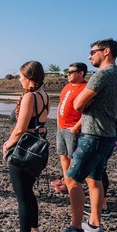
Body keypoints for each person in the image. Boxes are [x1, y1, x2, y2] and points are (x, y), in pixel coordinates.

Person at [53, 38, 117, 232]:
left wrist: (82, 102)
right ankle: (94, 225)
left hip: (93, 135)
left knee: (72, 180)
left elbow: (78, 104)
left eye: (93, 52)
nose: (90, 55)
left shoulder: (102, 74)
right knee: (95, 179)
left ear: (106, 51)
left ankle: (76, 230)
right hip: (107, 135)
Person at [2, 61, 50, 232]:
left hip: (24, 149)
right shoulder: (44, 95)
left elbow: (20, 128)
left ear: (30, 78)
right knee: (29, 192)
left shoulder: (30, 96)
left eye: (21, 76)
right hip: (38, 148)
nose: (19, 79)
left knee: (22, 195)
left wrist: (7, 144)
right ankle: (34, 231)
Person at [84, 64, 117, 217]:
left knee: (99, 171)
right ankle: (100, 204)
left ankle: (102, 206)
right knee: (100, 170)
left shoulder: (114, 95)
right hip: (112, 137)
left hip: (107, 136)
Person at [50, 62, 88, 194]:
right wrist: (58, 122)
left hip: (73, 128)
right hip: (61, 127)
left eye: (71, 72)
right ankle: (66, 179)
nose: (68, 74)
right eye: (68, 71)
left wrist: (76, 127)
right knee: (63, 154)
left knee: (73, 157)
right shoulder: (67, 86)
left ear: (81, 73)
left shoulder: (85, 88)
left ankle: (72, 182)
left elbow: (88, 111)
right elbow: (61, 103)